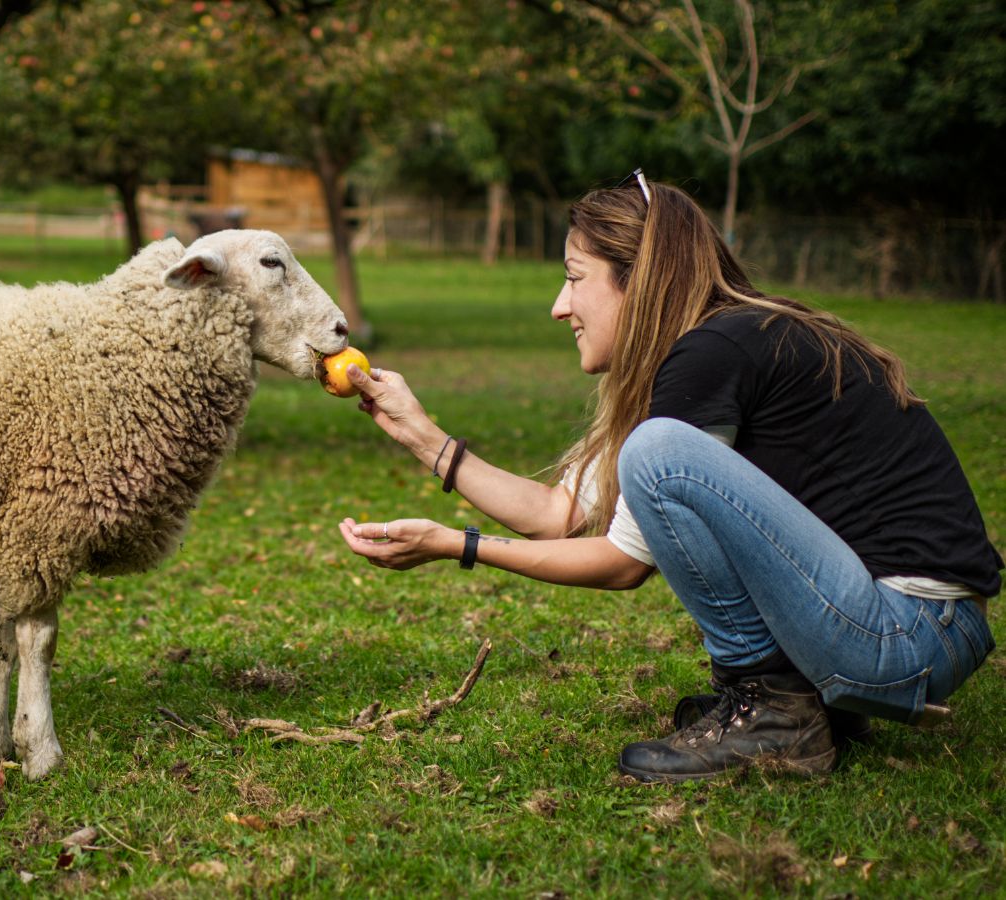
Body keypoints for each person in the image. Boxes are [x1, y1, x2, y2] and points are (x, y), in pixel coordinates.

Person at [337, 173, 1000, 783]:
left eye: (574, 278)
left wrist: (458, 545)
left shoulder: (713, 353)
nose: (558, 307)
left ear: (641, 279)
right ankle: (799, 702)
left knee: (655, 451)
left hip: (907, 633)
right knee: (655, 448)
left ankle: (775, 713)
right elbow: (559, 513)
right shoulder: (716, 346)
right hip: (917, 629)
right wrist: (422, 435)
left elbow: (621, 562)